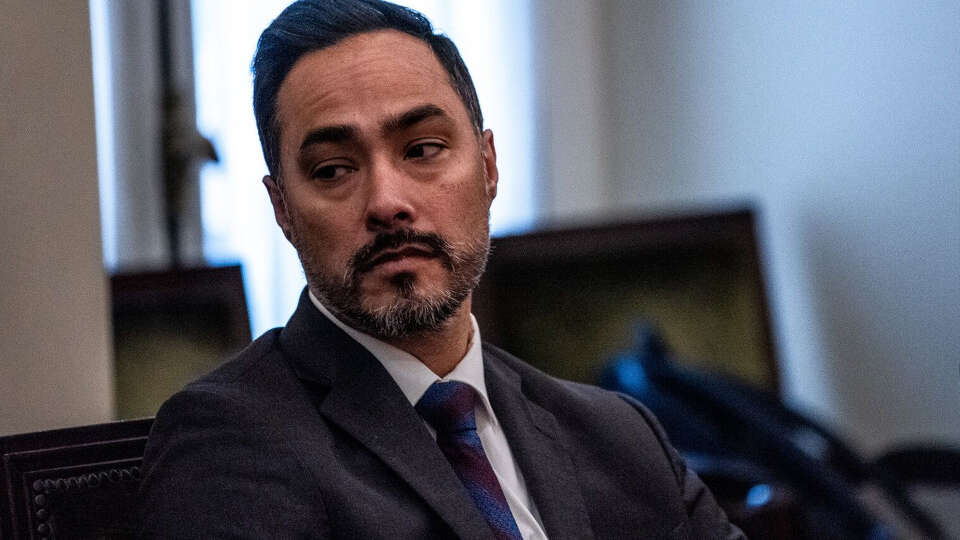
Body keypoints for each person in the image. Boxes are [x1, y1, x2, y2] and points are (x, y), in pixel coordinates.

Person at [137, 1, 745, 538]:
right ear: (283, 210)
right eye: (333, 170)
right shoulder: (227, 443)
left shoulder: (620, 437)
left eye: (422, 150)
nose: (385, 201)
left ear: (487, 167)